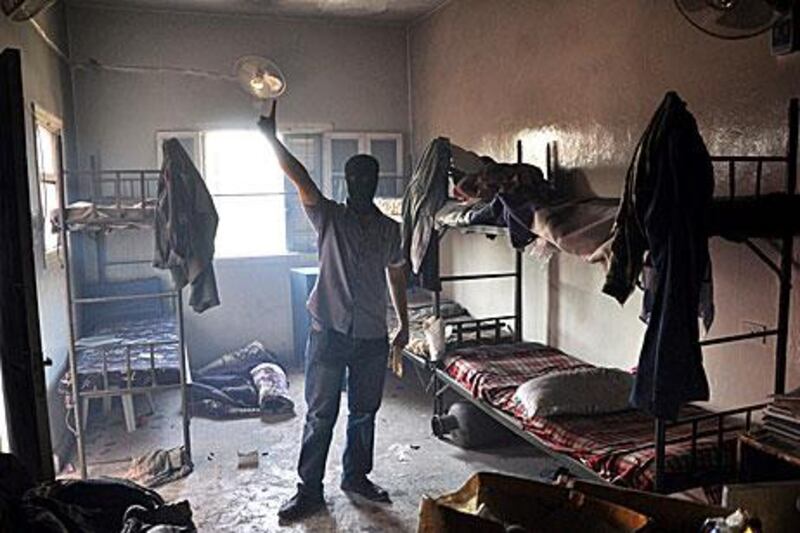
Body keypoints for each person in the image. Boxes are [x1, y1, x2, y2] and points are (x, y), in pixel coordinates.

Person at [257, 101, 409, 523]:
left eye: (369, 176)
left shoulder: (389, 229)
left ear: (376, 183)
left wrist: (403, 325)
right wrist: (272, 140)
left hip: (372, 337)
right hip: (329, 332)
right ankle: (309, 490)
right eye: (355, 176)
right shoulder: (328, 217)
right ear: (346, 181)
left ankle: (356, 477)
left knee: (364, 412)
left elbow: (396, 276)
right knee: (321, 414)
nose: (362, 182)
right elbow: (300, 177)